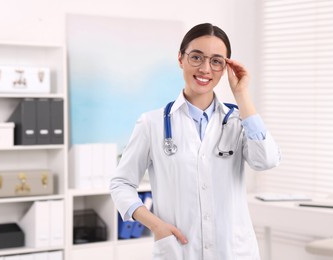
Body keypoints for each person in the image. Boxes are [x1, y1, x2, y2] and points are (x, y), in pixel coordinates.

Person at [110, 23, 281, 260]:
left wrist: (241, 94)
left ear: (225, 67)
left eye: (216, 61)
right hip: (180, 250)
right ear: (181, 59)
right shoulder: (152, 123)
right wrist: (156, 225)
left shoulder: (238, 122)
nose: (205, 69)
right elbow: (121, 184)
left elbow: (267, 160)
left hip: (233, 251)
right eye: (197, 57)